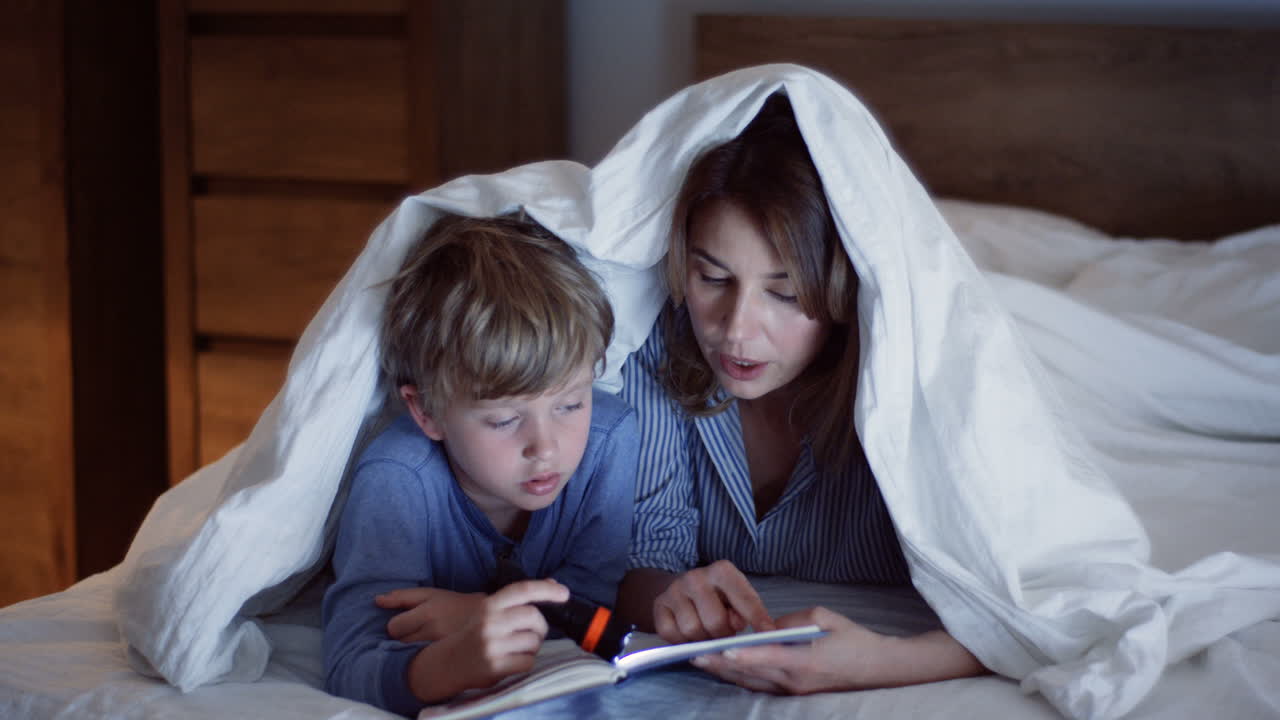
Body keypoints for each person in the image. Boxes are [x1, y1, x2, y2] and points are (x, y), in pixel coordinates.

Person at [612, 93, 988, 694]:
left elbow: (1029, 610)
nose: (735, 329)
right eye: (713, 277)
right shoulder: (657, 348)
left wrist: (880, 663)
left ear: (842, 289)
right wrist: (674, 598)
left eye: (784, 295)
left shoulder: (906, 385)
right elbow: (647, 547)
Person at [321, 213, 639, 716]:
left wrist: (477, 613)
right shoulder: (398, 478)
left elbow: (592, 599)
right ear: (426, 411)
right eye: (503, 420)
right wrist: (448, 665)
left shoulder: (610, 440)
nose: (546, 448)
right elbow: (349, 662)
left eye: (571, 404)